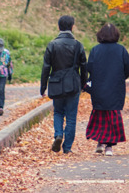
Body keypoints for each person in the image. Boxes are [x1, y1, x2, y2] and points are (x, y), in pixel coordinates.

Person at [40, 15, 88, 154]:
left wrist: (43, 86)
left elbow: (46, 67)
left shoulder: (52, 45)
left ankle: (58, 135)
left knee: (58, 112)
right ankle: (67, 147)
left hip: (56, 83)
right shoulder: (78, 45)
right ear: (72, 27)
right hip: (73, 84)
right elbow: (83, 66)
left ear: (58, 27)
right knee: (71, 116)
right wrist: (83, 84)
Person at [85, 22, 129, 156]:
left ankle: (100, 142)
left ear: (101, 35)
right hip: (115, 87)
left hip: (99, 87)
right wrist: (121, 77)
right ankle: (109, 147)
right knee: (112, 114)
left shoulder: (96, 50)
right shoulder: (121, 50)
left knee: (100, 113)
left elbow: (89, 67)